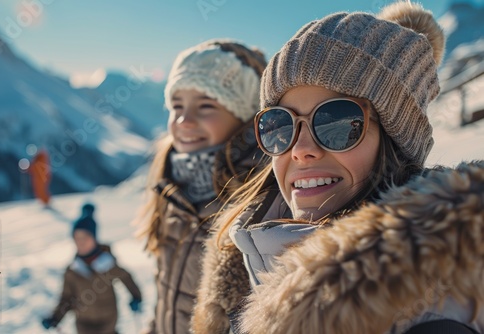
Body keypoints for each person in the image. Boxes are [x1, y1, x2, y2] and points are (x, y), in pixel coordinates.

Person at [192, 2, 484, 334]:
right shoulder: (243, 266)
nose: (300, 150)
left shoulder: (432, 312)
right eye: (279, 125)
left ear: (396, 144)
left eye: (338, 122)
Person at [136, 39, 267, 334]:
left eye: (206, 105)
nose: (184, 120)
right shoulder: (171, 188)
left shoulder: (258, 200)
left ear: (245, 117)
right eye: (177, 105)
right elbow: (166, 293)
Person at [42, 203, 143, 334]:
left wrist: (136, 297)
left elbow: (126, 278)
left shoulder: (107, 263)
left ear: (94, 238)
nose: (81, 242)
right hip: (83, 324)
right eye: (77, 238)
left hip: (108, 322)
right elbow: (66, 298)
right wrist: (55, 318)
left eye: (85, 237)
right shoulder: (72, 271)